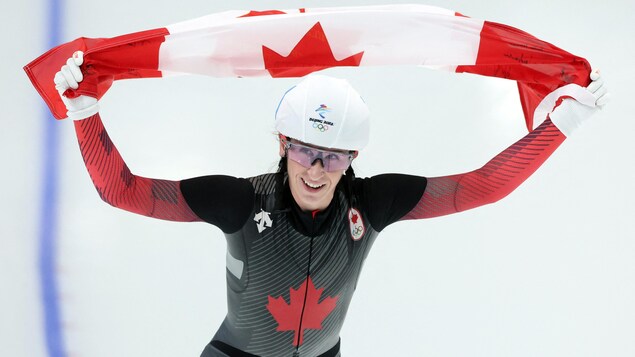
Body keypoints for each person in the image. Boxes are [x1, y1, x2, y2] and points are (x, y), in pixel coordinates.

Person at [54, 51, 608, 357]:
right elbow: (120, 190)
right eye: (305, 152)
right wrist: (85, 113)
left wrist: (560, 124)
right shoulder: (241, 201)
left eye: (334, 158)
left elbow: (485, 185)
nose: (317, 171)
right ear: (282, 145)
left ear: (353, 159)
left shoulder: (374, 202)